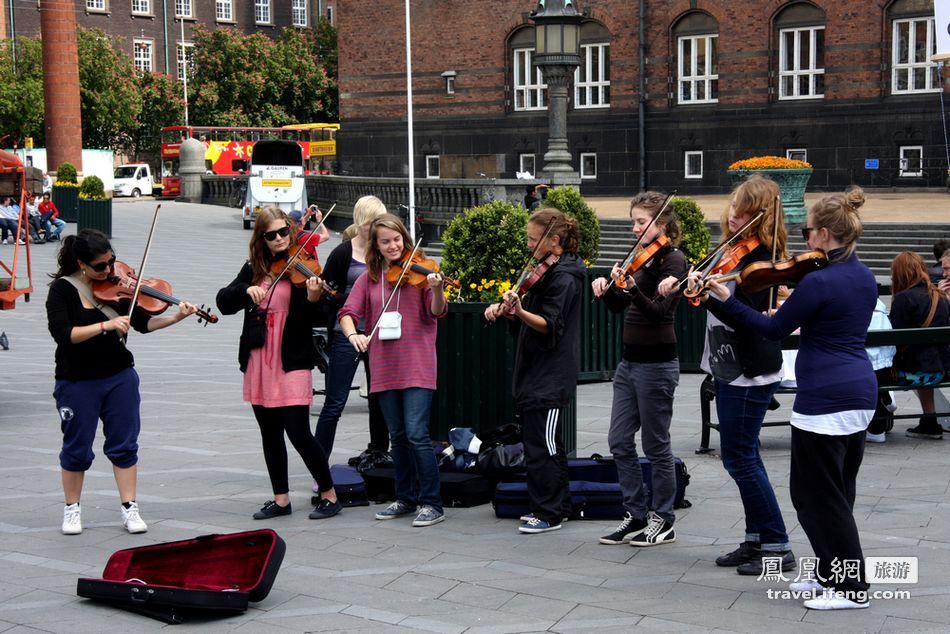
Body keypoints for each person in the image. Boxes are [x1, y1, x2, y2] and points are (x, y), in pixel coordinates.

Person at [702, 187, 877, 610]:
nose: (805, 239)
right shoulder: (864, 275)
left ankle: (851, 589)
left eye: (807, 231)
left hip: (826, 398)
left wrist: (726, 299)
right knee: (839, 491)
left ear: (825, 235)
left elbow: (773, 329)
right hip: (860, 391)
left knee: (815, 497)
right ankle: (828, 575)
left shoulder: (819, 281)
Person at [659, 174, 795, 575]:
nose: (734, 215)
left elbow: (749, 318)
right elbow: (714, 299)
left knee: (739, 458)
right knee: (745, 455)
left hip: (748, 368)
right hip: (727, 361)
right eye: (735, 206)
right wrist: (687, 286)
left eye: (745, 210)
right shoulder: (732, 250)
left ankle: (777, 544)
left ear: (762, 215)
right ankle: (756, 540)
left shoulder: (761, 261)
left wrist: (708, 297)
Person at [46, 229, 198, 535]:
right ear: (82, 264)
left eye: (111, 261)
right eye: (101, 266)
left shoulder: (117, 287)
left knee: (124, 444)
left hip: (119, 376)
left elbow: (143, 323)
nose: (110, 271)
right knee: (77, 447)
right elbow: (64, 335)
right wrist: (106, 324)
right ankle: (72, 509)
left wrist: (176, 318)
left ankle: (130, 508)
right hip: (77, 380)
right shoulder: (62, 290)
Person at [216, 207, 342, 521]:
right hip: (260, 358)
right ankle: (281, 499)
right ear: (261, 238)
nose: (279, 240)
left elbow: (320, 316)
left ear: (291, 230)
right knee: (269, 433)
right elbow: (224, 301)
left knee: (298, 431)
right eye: (270, 235)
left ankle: (329, 493)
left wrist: (314, 299)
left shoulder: (304, 266)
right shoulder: (254, 267)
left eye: (283, 232)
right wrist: (246, 290)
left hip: (292, 358)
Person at [338, 213, 447, 527]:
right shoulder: (369, 277)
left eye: (397, 239)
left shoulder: (423, 271)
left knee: (416, 434)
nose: (393, 246)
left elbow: (437, 311)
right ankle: (405, 498)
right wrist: (353, 334)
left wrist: (437, 288)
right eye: (385, 242)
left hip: (417, 363)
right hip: (384, 366)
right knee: (397, 437)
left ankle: (432, 502)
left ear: (405, 238)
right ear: (376, 244)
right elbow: (348, 312)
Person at [591, 192, 686, 547]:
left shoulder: (674, 261)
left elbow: (659, 312)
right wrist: (606, 288)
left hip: (658, 364)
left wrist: (632, 290)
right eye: (633, 221)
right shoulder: (636, 259)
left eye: (641, 222)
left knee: (656, 446)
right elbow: (620, 306)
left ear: (661, 225)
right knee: (618, 440)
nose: (634, 228)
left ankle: (663, 520)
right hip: (629, 363)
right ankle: (636, 514)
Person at [484, 208, 585, 534]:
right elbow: (531, 322)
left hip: (551, 373)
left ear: (554, 241)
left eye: (532, 239)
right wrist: (512, 313)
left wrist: (521, 310)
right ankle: (557, 507)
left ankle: (549, 512)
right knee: (539, 443)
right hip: (534, 370)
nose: (528, 246)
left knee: (545, 446)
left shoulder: (566, 277)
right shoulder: (548, 272)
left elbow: (549, 325)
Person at [314, 196, 388, 462]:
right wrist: (338, 299)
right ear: (360, 222)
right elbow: (327, 292)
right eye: (371, 223)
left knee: (379, 400)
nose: (376, 228)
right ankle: (320, 463)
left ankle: (379, 453)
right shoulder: (344, 252)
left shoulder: (385, 250)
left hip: (379, 333)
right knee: (335, 401)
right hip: (346, 332)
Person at [889, 251, 950, 439]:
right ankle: (929, 421)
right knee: (924, 357)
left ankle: (876, 424)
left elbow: (893, 337)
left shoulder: (903, 298)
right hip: (942, 370)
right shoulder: (940, 295)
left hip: (913, 373)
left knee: (876, 370)